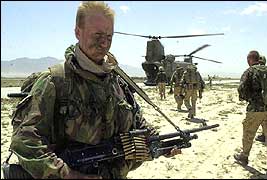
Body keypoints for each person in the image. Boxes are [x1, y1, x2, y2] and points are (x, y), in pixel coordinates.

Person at [8, 2, 180, 179]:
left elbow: (137, 122)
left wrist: (158, 144)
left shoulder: (118, 83)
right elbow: (24, 140)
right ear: (78, 32)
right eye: (97, 35)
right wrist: (68, 175)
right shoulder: (55, 81)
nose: (104, 43)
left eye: (109, 36)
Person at [234, 50, 267, 179]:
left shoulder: (250, 71)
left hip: (255, 110)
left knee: (248, 134)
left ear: (249, 59)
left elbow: (241, 90)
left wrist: (249, 98)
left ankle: (244, 157)